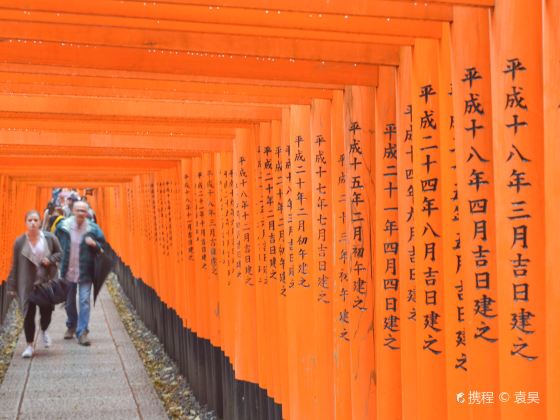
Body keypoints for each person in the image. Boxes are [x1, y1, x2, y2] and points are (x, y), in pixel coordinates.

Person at [7, 210, 62, 358]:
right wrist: (12, 287)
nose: (32, 223)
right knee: (28, 315)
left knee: (46, 312)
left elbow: (60, 254)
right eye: (29, 220)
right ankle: (30, 345)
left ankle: (44, 330)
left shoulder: (49, 238)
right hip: (28, 285)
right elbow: (15, 264)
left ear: (40, 222)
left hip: (45, 283)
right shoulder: (19, 242)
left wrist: (50, 259)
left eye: (35, 220)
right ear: (25, 223)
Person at [55, 200, 106, 346]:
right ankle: (71, 324)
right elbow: (53, 244)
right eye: (78, 210)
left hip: (86, 271)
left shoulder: (93, 229)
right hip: (68, 271)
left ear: (87, 213)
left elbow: (103, 247)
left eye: (83, 211)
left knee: (84, 301)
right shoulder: (63, 227)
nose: (80, 213)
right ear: (72, 211)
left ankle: (82, 331)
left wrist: (95, 244)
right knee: (69, 302)